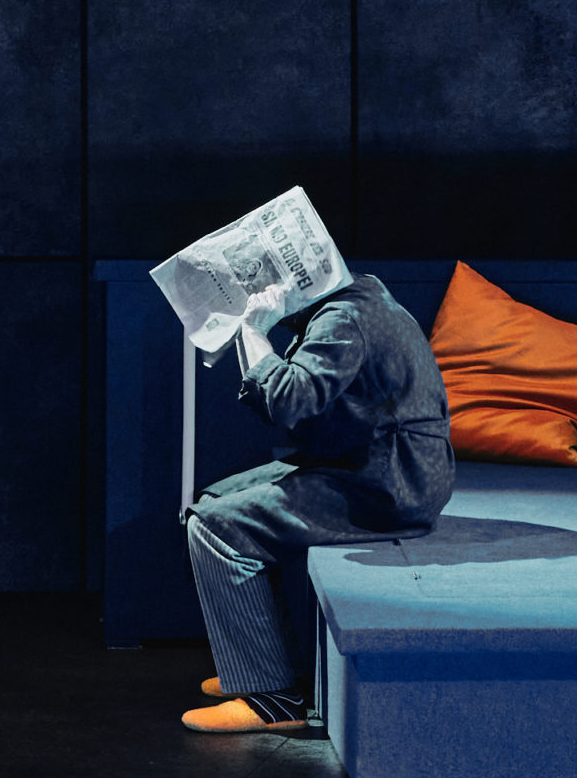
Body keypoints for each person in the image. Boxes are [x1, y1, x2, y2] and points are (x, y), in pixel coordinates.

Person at [180, 273, 453, 733]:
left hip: (390, 485)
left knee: (215, 527)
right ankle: (260, 669)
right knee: (215, 500)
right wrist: (252, 333)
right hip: (369, 465)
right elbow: (285, 405)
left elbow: (287, 402)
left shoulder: (343, 320)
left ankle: (274, 698)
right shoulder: (356, 296)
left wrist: (254, 330)